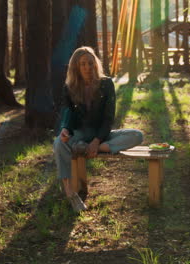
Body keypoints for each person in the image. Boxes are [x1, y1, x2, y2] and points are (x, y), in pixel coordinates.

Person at [53, 46, 143, 212]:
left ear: (96, 64)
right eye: (83, 64)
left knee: (137, 135)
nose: (88, 67)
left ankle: (85, 148)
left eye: (90, 63)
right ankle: (70, 192)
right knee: (59, 143)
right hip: (79, 134)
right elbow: (67, 112)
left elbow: (109, 118)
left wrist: (96, 143)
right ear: (76, 67)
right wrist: (65, 129)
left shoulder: (106, 84)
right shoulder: (69, 87)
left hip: (101, 136)